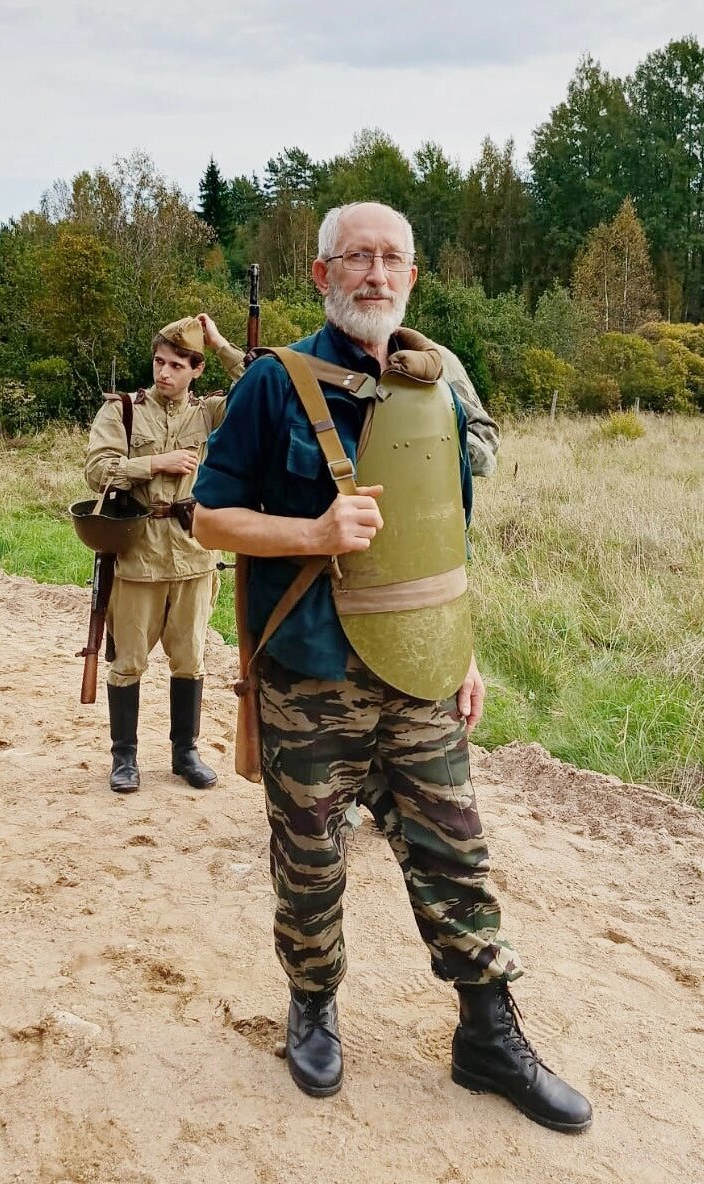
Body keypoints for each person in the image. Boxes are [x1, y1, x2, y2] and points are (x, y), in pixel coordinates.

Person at [192, 202, 592, 1133]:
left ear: (413, 276)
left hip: (421, 673)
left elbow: (436, 536)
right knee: (311, 859)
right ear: (323, 275)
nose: (376, 273)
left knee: (456, 853)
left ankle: (488, 1034)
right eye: (356, 257)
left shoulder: (439, 387)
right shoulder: (273, 385)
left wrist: (464, 650)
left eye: (393, 259)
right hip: (309, 675)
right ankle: (314, 1003)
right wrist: (312, 533)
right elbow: (209, 518)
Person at [84, 313, 243, 794]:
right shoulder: (125, 411)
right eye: (159, 361)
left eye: (177, 364)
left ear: (195, 369)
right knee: (128, 661)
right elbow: (97, 470)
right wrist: (154, 462)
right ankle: (124, 758)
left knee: (190, 659)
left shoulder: (209, 413)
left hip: (194, 555)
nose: (164, 373)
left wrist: (219, 344)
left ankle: (185, 753)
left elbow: (259, 382)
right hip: (138, 556)